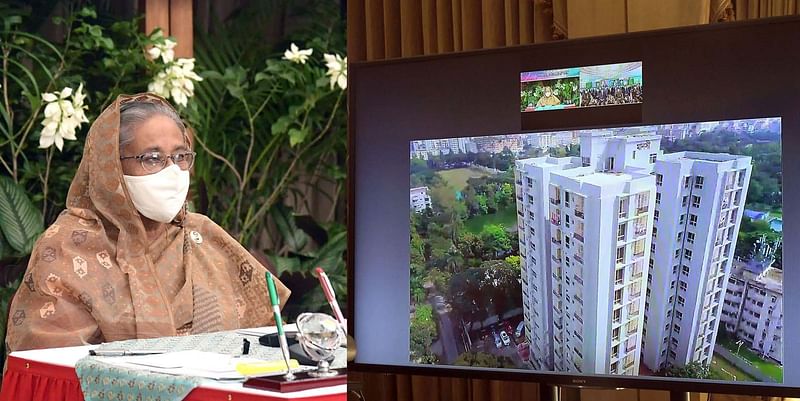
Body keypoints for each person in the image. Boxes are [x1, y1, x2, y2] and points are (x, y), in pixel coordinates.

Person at [5, 93, 290, 352]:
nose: (172, 171)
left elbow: (265, 343)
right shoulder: (68, 246)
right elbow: (51, 371)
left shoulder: (203, 235)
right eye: (152, 158)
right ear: (111, 167)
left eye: (180, 156)